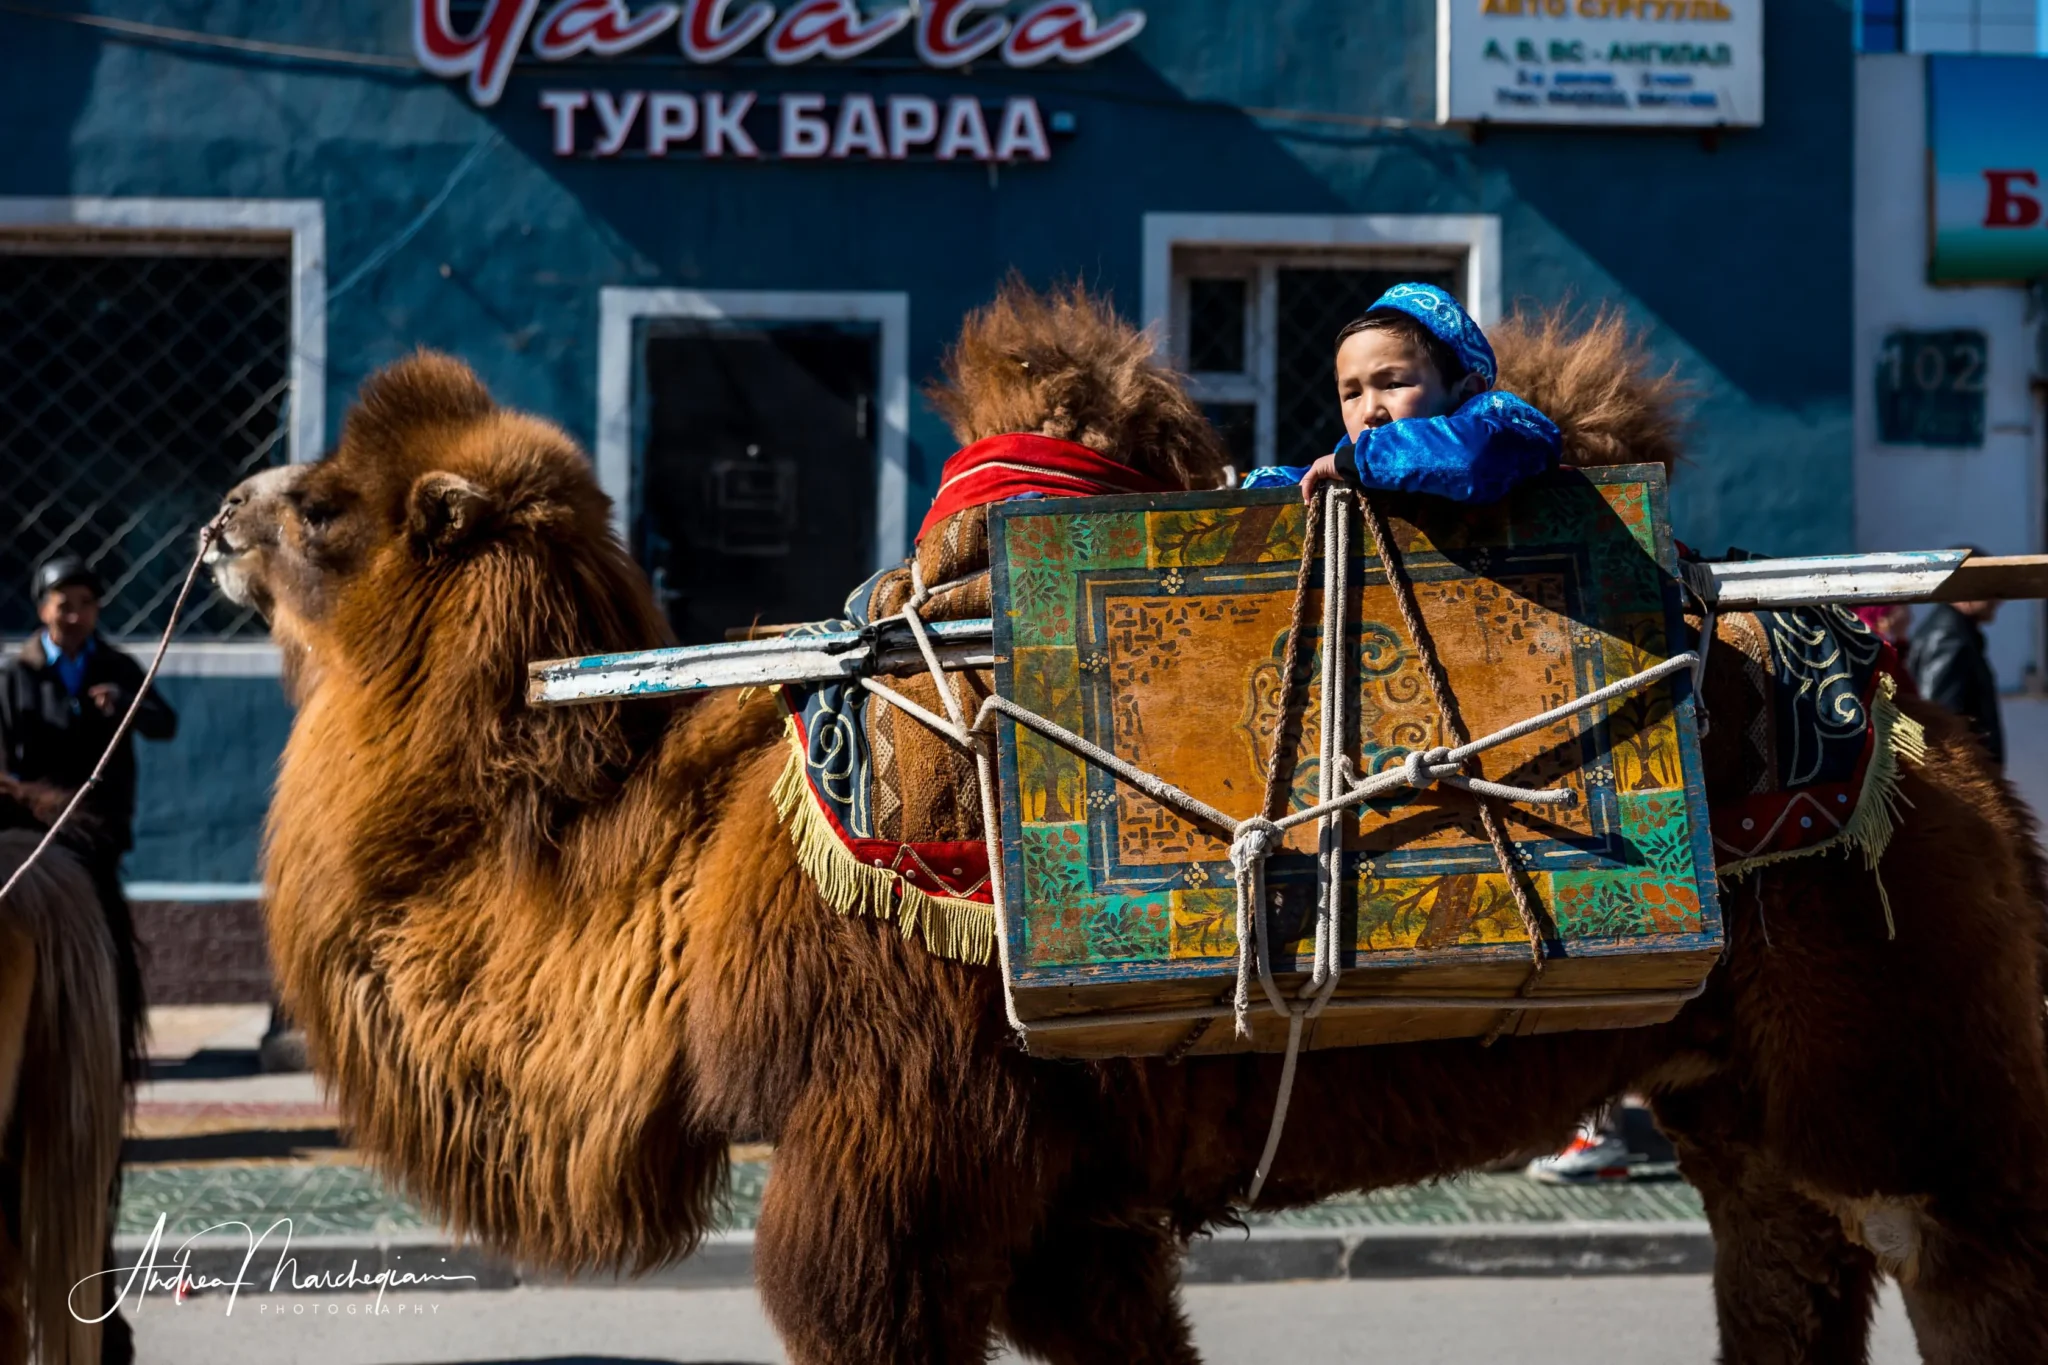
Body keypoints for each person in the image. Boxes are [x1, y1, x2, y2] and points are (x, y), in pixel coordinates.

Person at [1241, 282, 1561, 503]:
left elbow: (1470, 459)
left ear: (1466, 392)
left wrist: (1357, 462)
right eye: (1351, 394)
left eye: (1393, 385)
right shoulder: (1351, 459)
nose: (1369, 411)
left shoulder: (1505, 427)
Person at [0, 555, 178, 856]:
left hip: (103, 824)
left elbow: (164, 724)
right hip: (37, 830)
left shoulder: (118, 667)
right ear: (43, 610)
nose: (75, 616)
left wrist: (124, 703)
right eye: (64, 606)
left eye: (86, 604)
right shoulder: (17, 676)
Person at [1909, 586, 2003, 767]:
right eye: (1990, 591)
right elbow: (1940, 720)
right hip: (1963, 775)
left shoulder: (1957, 631)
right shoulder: (1948, 637)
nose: (1998, 602)